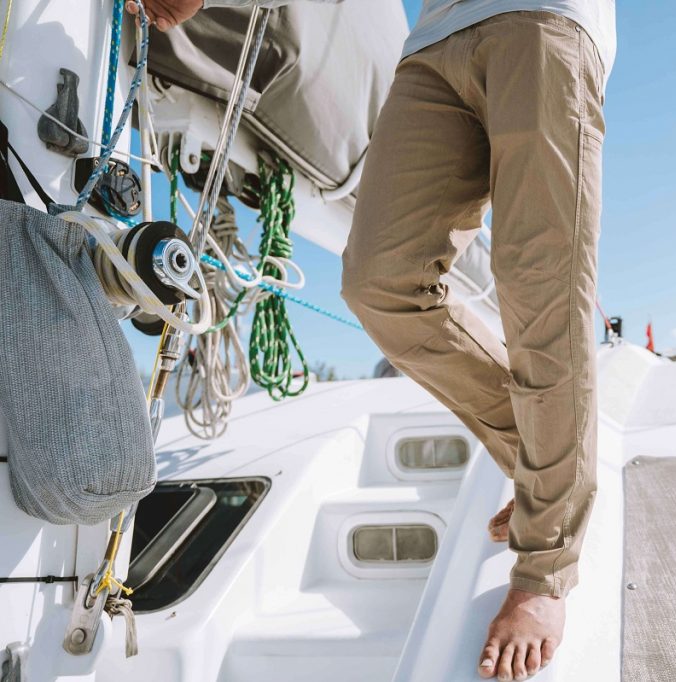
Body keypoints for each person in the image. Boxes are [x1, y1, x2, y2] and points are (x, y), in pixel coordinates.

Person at [130, 1, 615, 679]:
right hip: (432, 44)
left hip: (542, 18)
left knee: (540, 288)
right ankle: (546, 468)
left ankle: (546, 568)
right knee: (381, 282)